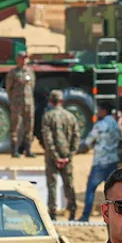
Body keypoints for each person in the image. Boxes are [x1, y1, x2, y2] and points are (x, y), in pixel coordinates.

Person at [78, 103, 122, 223]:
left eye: (99, 109)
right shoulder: (115, 125)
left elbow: (88, 142)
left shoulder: (99, 125)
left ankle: (85, 216)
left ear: (104, 111)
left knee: (90, 189)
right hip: (112, 161)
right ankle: (117, 216)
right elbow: (120, 138)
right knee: (114, 192)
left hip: (100, 162)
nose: (97, 111)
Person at [42, 90, 81, 220]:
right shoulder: (71, 117)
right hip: (67, 158)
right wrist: (68, 156)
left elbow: (48, 139)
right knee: (69, 184)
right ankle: (72, 211)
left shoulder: (48, 116)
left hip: (52, 159)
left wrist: (55, 157)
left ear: (50, 101)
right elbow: (76, 137)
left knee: (52, 185)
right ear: (61, 101)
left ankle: (52, 214)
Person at [4, 54, 35, 158]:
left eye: (25, 58)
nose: (24, 60)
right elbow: (9, 88)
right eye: (21, 58)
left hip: (29, 102)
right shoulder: (13, 73)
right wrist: (13, 100)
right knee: (15, 126)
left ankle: (28, 150)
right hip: (17, 103)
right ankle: (14, 150)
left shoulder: (30, 72)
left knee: (29, 126)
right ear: (18, 59)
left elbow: (32, 86)